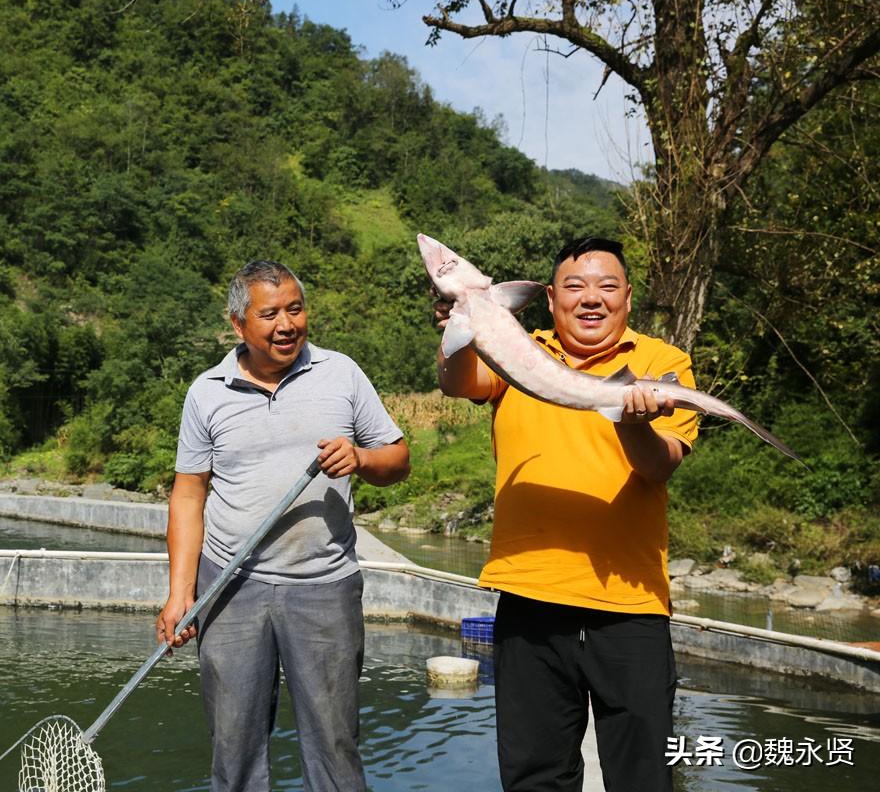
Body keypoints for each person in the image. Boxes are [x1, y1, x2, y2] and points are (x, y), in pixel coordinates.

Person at [434, 237, 698, 792]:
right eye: (575, 287)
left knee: (643, 776)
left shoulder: (662, 362)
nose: (591, 299)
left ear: (628, 296)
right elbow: (458, 382)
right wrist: (459, 327)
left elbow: (660, 467)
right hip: (529, 600)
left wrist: (633, 421)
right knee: (536, 778)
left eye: (607, 286)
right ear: (550, 299)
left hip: (629, 606)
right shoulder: (514, 346)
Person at [157, 260, 410, 792]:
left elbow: (398, 458)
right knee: (235, 748)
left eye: (295, 309)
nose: (286, 324)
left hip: (324, 586)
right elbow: (188, 493)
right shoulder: (207, 392)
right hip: (228, 589)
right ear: (238, 325)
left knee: (334, 746)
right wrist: (181, 594)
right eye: (269, 313)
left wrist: (362, 458)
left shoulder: (341, 373)